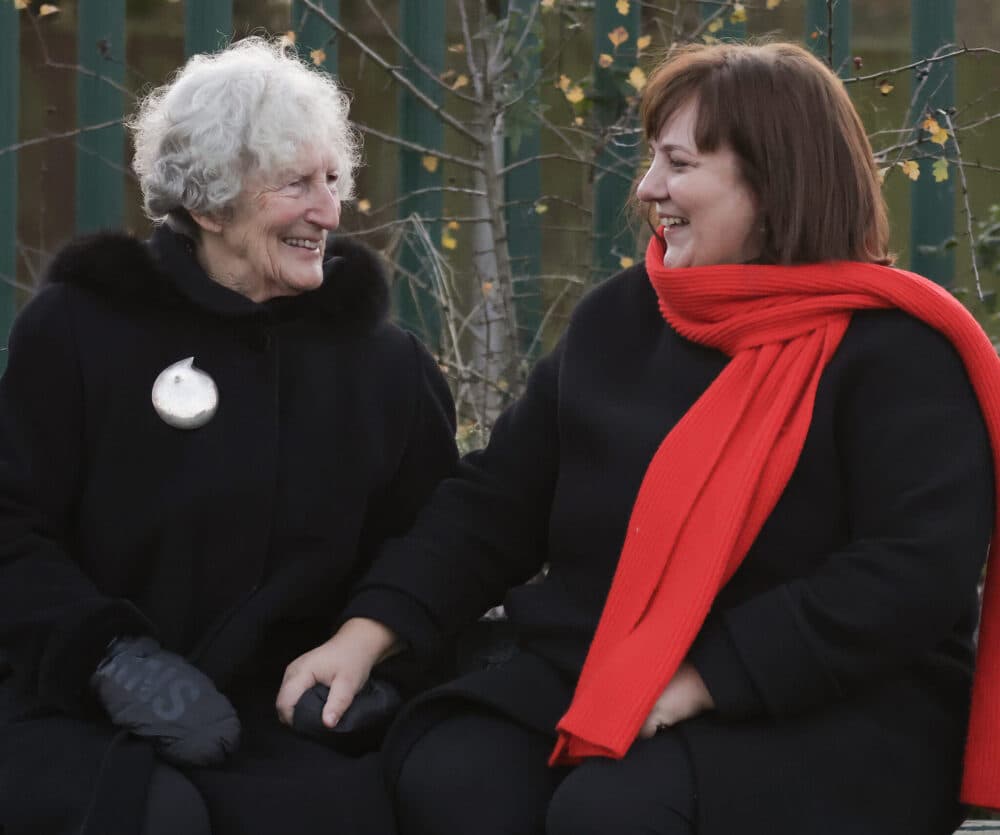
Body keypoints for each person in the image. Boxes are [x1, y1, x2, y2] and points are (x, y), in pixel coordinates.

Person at [276, 41, 1000, 835]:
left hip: (839, 707)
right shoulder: (621, 318)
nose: (649, 187)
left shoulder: (898, 353)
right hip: (604, 664)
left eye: (678, 164)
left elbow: (910, 577)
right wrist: (369, 631)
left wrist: (704, 678)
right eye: (653, 158)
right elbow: (495, 503)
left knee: (613, 812)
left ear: (773, 182)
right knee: (454, 776)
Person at [0, 37, 457, 835]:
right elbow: (10, 527)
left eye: (332, 181)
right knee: (153, 814)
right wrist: (108, 657)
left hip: (287, 714)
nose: (328, 211)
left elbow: (434, 543)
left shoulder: (385, 367)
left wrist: (379, 661)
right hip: (77, 700)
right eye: (295, 185)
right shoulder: (79, 330)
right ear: (209, 206)